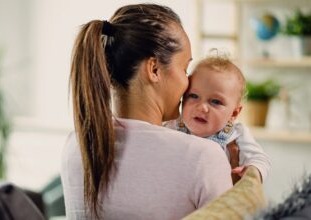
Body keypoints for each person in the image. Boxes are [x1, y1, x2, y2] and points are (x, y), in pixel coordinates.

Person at [61, 4, 233, 220]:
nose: (189, 83)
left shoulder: (77, 145)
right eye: (184, 69)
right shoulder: (203, 157)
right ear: (154, 69)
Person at [176, 55, 271, 183]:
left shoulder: (236, 133)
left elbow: (259, 158)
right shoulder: (172, 127)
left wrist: (252, 171)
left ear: (234, 113)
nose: (202, 107)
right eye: (193, 96)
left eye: (215, 101)